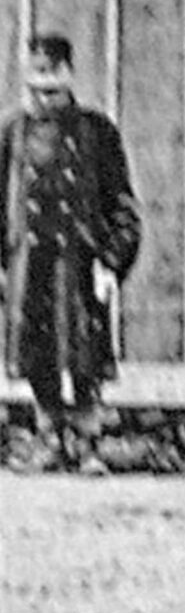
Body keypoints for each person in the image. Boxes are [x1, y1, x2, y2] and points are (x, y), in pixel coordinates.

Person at [0, 33, 141, 475]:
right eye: (36, 86)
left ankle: (87, 442)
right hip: (28, 263)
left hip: (78, 263)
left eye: (52, 87)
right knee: (35, 352)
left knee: (84, 353)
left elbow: (123, 206)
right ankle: (49, 436)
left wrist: (112, 263)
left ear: (68, 76)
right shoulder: (12, 134)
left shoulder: (96, 132)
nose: (43, 97)